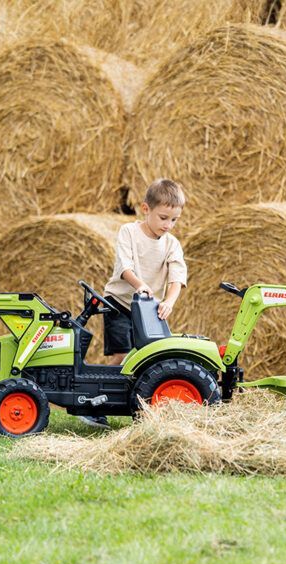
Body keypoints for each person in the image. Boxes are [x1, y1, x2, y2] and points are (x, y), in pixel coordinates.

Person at [78, 178, 187, 428]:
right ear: (146, 209)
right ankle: (93, 403)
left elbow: (177, 276)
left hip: (147, 309)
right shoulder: (129, 232)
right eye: (163, 218)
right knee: (123, 353)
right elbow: (124, 267)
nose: (168, 225)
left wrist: (169, 301)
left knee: (148, 357)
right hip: (119, 303)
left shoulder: (172, 244)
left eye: (174, 220)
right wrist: (140, 285)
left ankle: (136, 402)